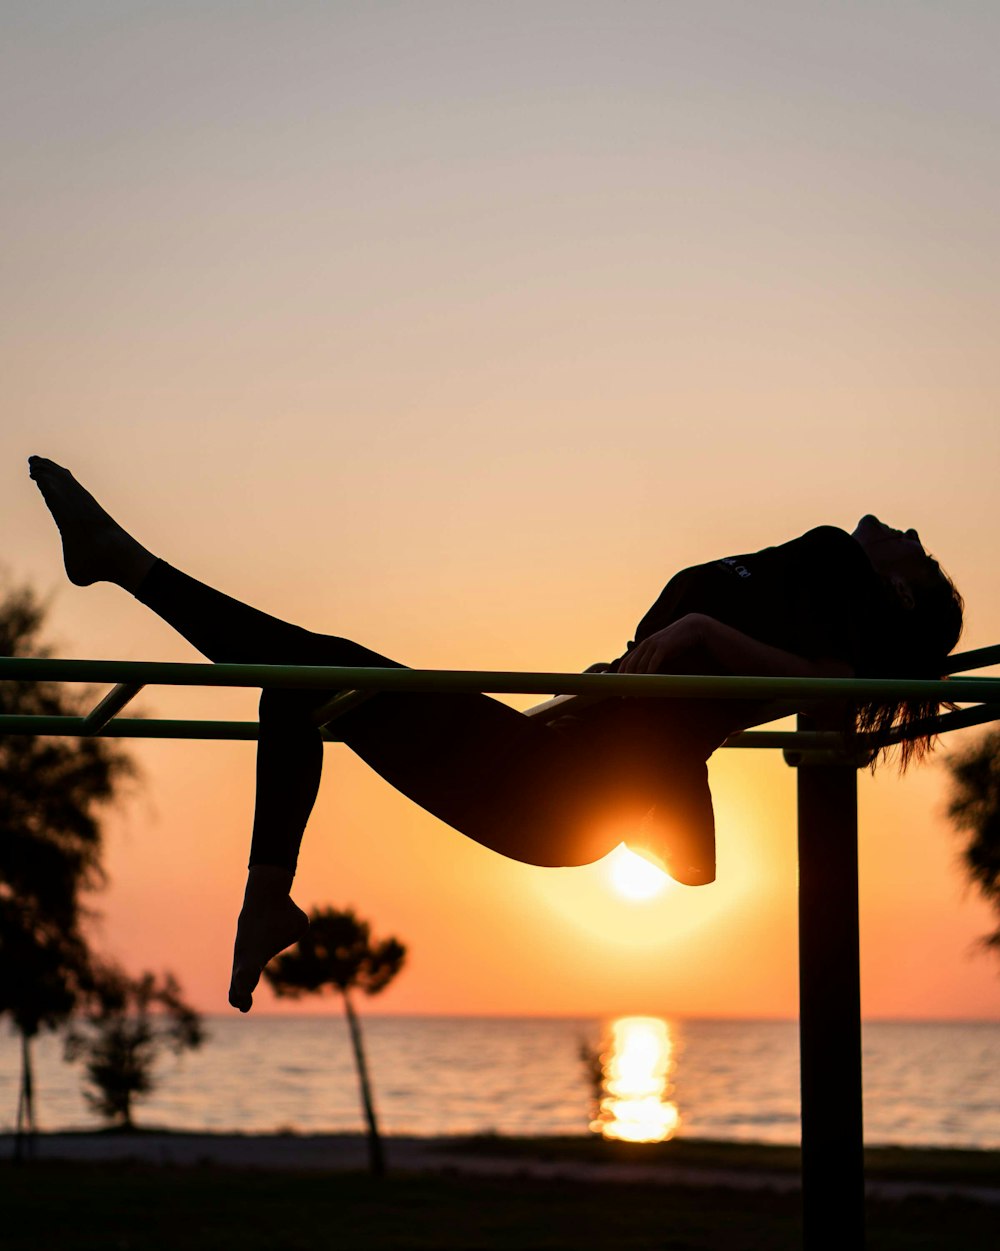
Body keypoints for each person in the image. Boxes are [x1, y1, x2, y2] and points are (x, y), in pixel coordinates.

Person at [28, 457, 964, 1012]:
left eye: (918, 555)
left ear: (899, 596)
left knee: (315, 666)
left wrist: (698, 637)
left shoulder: (832, 637)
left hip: (557, 798)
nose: (909, 530)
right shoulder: (804, 582)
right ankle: (265, 901)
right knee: (303, 684)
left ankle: (125, 564)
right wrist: (640, 663)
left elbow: (829, 687)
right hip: (555, 769)